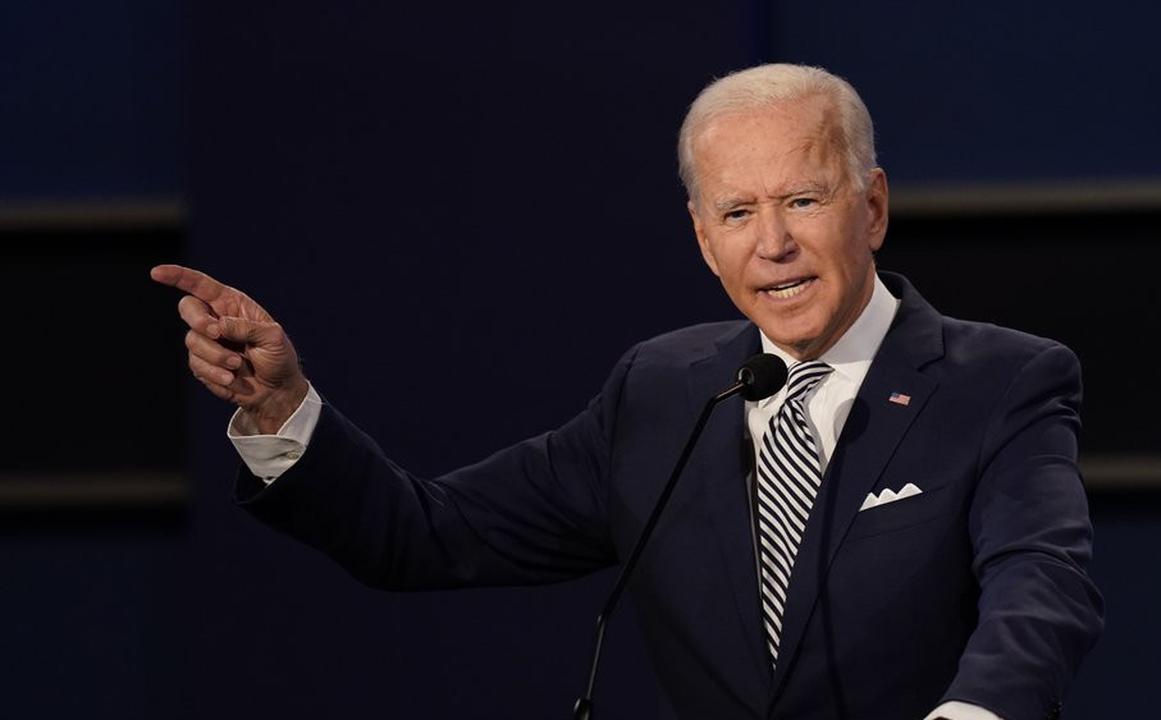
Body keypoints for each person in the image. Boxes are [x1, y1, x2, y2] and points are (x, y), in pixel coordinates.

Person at [153, 64, 1103, 720]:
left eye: (803, 201)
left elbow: (1042, 584)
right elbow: (425, 532)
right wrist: (284, 410)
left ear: (874, 206)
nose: (771, 243)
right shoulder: (663, 392)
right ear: (702, 237)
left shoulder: (1000, 382)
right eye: (738, 212)